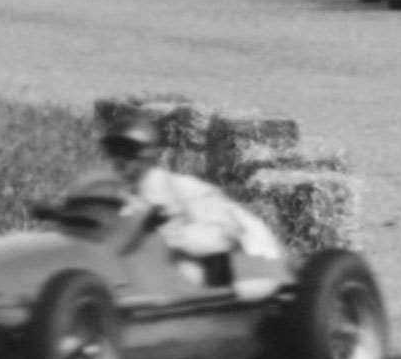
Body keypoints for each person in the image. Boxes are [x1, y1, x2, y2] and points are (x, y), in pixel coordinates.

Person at [98, 116, 282, 293]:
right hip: (140, 279)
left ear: (146, 154)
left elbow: (226, 235)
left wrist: (172, 236)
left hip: (248, 270)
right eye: (112, 150)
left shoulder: (183, 188)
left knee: (184, 269)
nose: (118, 159)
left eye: (126, 150)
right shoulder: (116, 195)